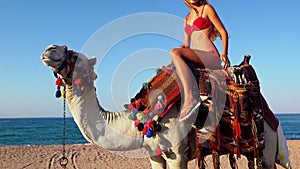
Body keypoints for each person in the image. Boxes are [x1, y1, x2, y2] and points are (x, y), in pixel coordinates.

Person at [171, 0, 230, 121]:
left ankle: (190, 98)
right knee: (174, 60)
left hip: (210, 56)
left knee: (174, 52)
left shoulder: (206, 8)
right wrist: (182, 48)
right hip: (197, 56)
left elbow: (223, 32)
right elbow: (187, 45)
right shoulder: (186, 19)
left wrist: (225, 53)